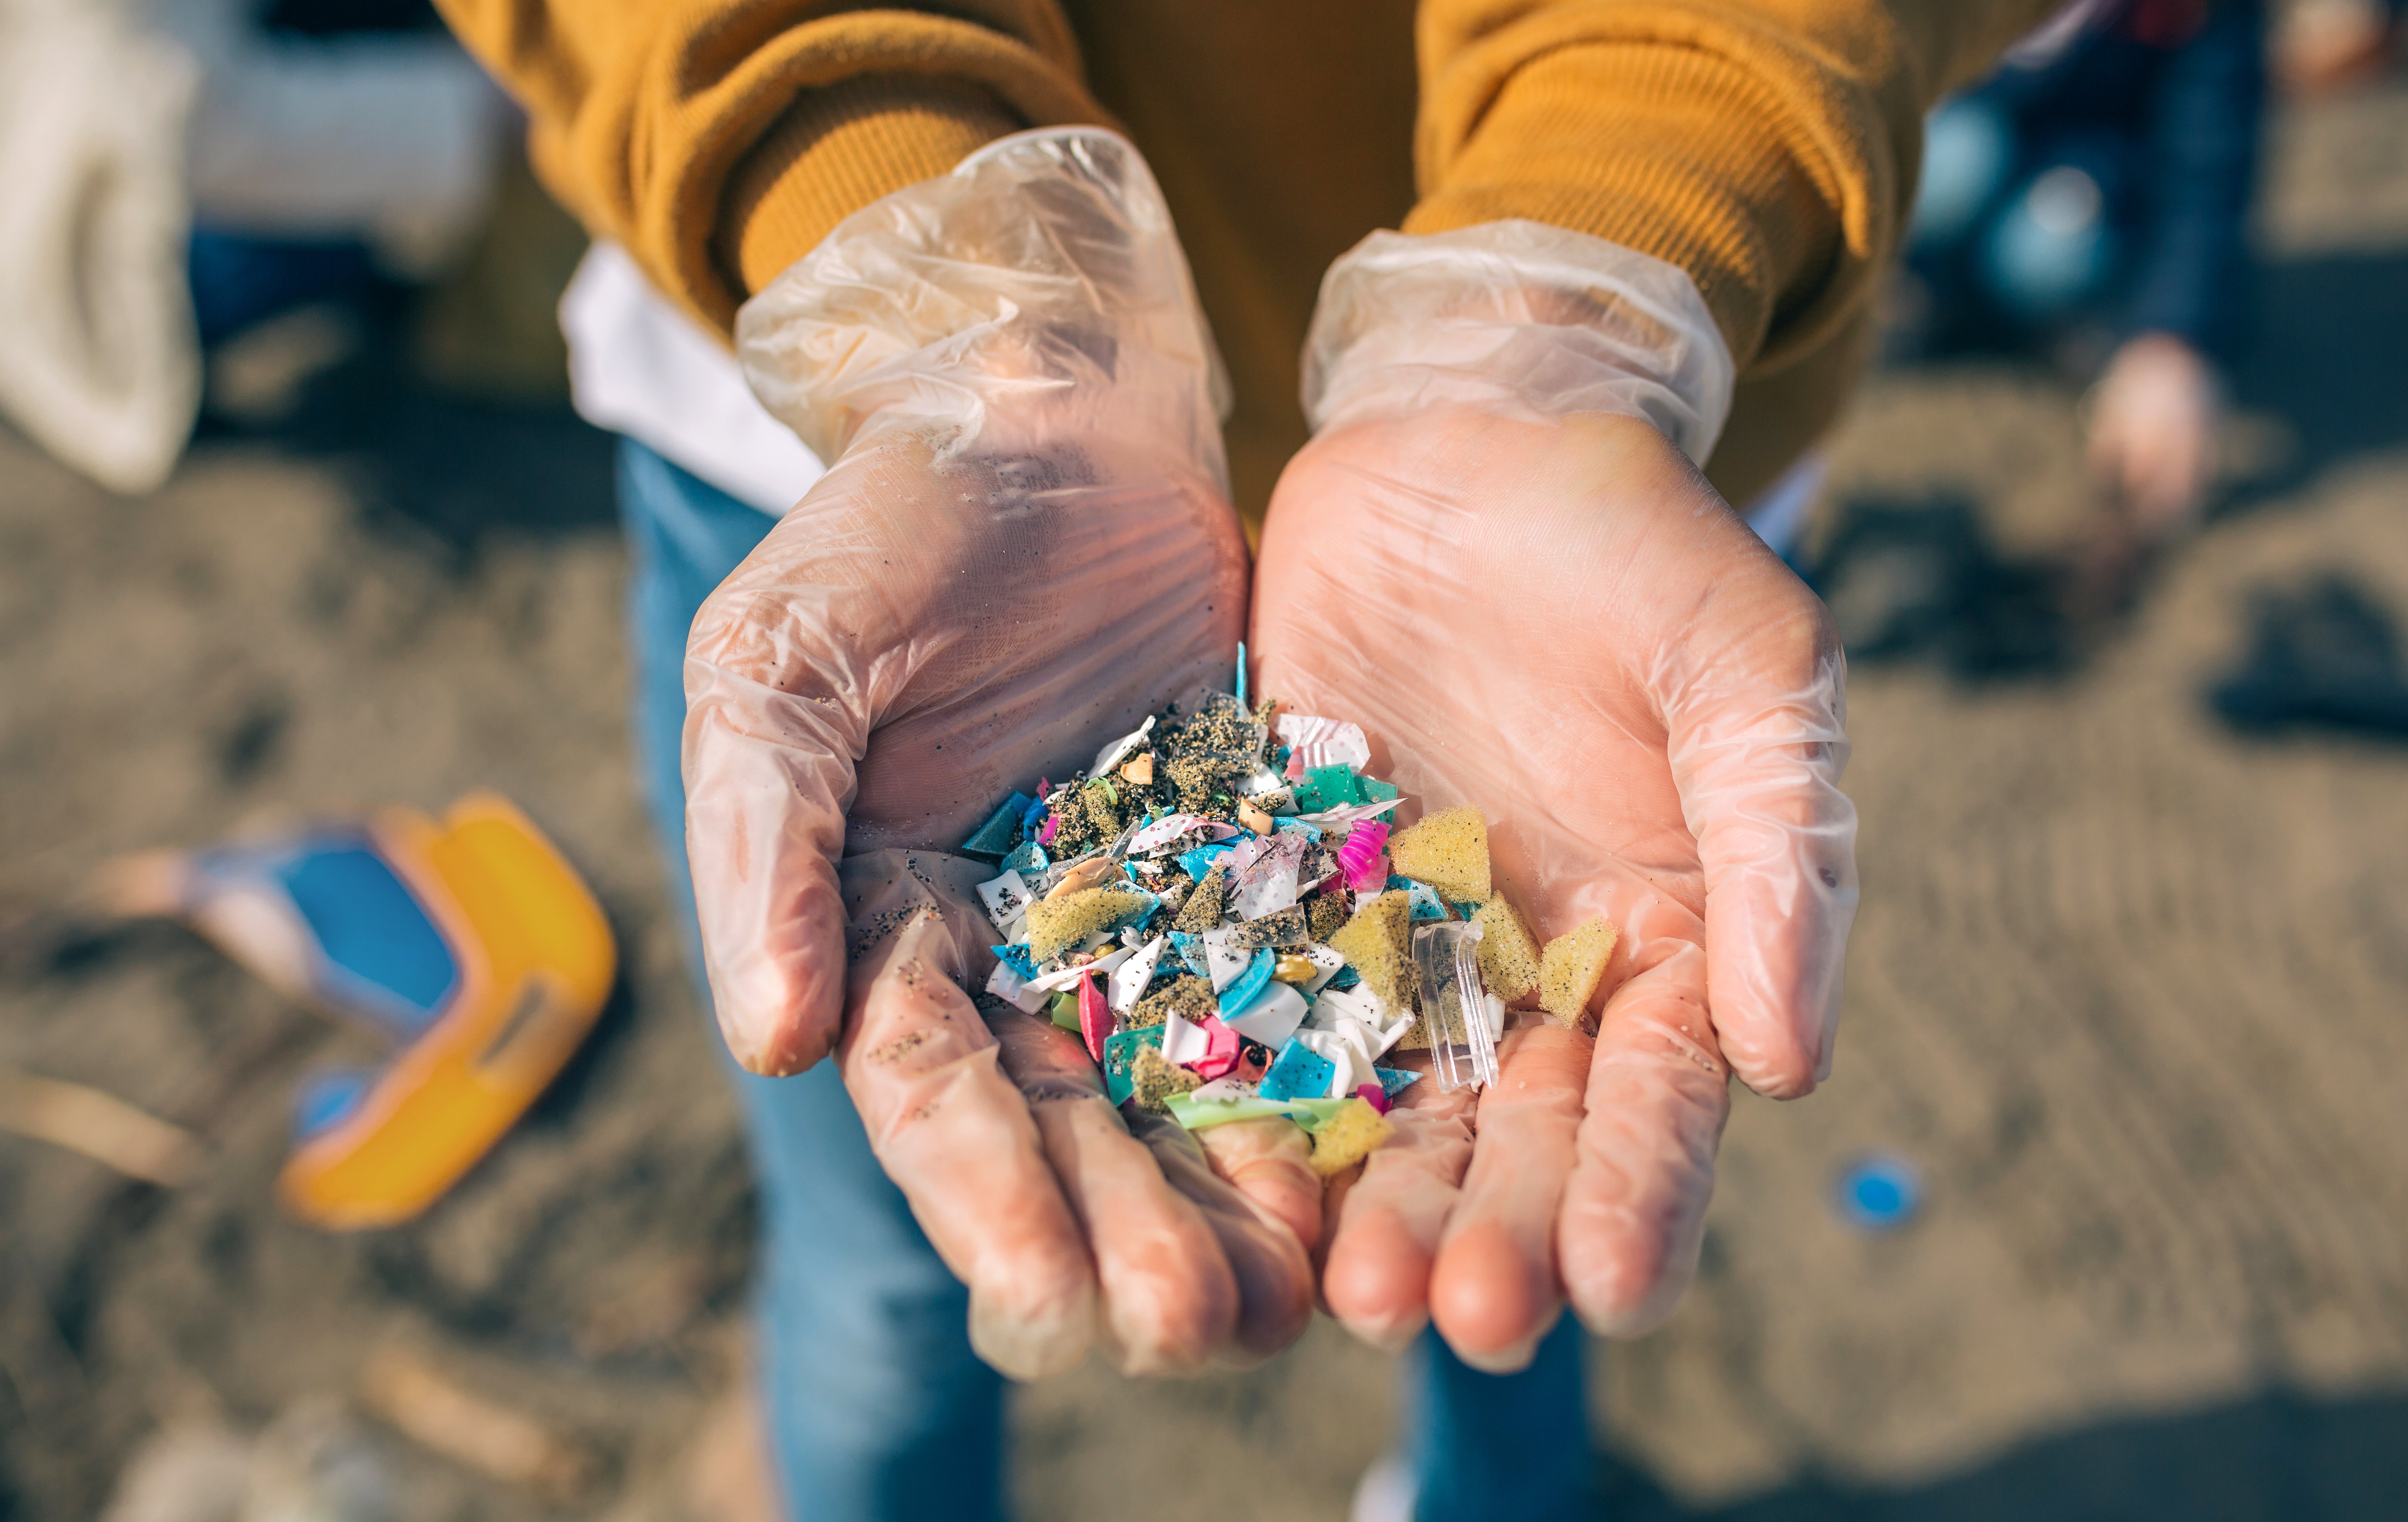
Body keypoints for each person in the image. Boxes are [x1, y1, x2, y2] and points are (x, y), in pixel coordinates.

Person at [432, 3, 2064, 1518]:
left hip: (1587, 489)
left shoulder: (1430, 891)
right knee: (885, 1253)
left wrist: (1597, 269)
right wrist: (920, 277)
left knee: (1514, 1206)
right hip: (886, 443)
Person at [1901, 0, 2268, 539]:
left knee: (2051, 248)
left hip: (2085, 174)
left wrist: (2171, 340)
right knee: (1949, 161)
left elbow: (2209, 162)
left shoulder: (2195, 17)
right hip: (1965, 127)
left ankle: (2008, 318)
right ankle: (1919, 289)